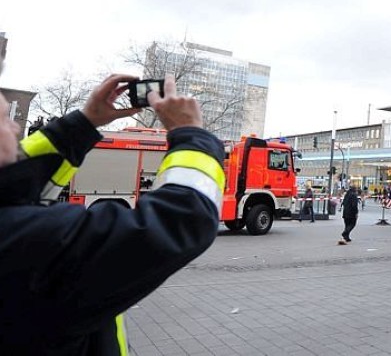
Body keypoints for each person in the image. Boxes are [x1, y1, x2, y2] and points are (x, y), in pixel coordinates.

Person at [0, 70, 226, 355]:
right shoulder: (39, 243)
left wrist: (84, 122)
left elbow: (19, 183)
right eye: (5, 119)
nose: (16, 129)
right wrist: (193, 136)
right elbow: (184, 217)